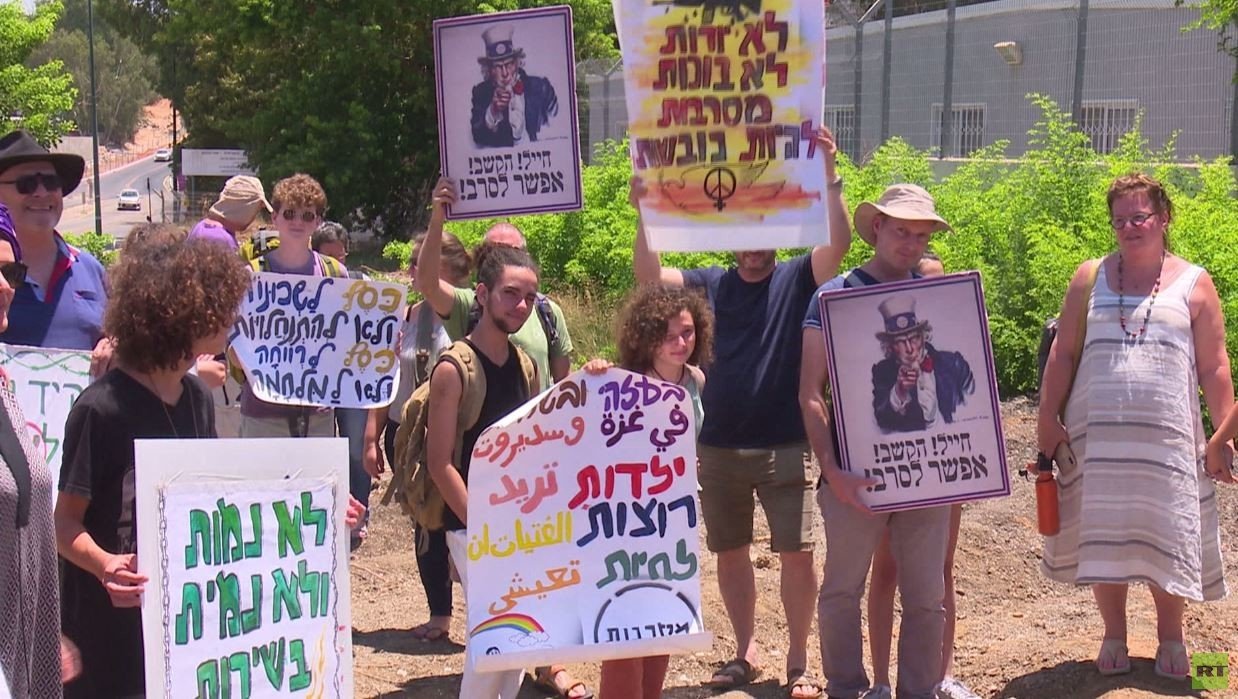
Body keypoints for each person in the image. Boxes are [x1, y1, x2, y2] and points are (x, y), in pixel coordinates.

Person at [631, 127, 850, 698]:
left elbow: (839, 246)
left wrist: (830, 174)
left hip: (786, 444)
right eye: (743, 235)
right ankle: (744, 651)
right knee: (731, 555)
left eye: (764, 234)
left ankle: (799, 661)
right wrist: (644, 214)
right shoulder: (707, 284)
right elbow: (651, 278)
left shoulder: (797, 277)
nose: (753, 247)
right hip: (718, 446)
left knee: (798, 554)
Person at [1036, 173, 1232, 680]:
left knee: (1168, 530)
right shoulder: (1089, 277)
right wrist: (1046, 420)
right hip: (1097, 438)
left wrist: (1223, 436)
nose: (1129, 227)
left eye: (1139, 216)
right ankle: (1114, 635)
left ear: (1163, 218)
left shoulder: (1195, 283)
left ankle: (1172, 638)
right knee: (1106, 532)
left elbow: (1214, 366)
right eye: (1119, 219)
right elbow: (1063, 353)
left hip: (1169, 441)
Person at [53, 236, 252, 698]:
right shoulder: (101, 409)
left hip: (176, 630)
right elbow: (63, 523)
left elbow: (215, 498)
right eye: (220, 306)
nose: (233, 319)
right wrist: (106, 564)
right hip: (106, 634)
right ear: (180, 312)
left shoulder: (197, 398)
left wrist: (321, 507)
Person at [799, 183, 954, 699]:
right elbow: (811, 393)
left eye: (921, 235)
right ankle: (845, 688)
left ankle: (918, 692)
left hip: (927, 476)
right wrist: (833, 471)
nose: (911, 243)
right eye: (902, 231)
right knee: (842, 589)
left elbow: (959, 392)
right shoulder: (833, 295)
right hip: (854, 476)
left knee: (927, 598)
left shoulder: (939, 300)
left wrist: (963, 463)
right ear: (878, 228)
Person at [425, 245, 545, 699]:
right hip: (470, 525)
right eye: (511, 293)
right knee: (495, 635)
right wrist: (482, 529)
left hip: (518, 525)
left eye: (530, 297)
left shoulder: (526, 367)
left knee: (517, 641)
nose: (521, 306)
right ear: (482, 294)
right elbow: (440, 463)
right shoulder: (454, 368)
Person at [583, 284, 713, 699]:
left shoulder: (696, 380)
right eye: (668, 334)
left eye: (687, 332)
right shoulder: (621, 382)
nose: (680, 343)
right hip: (625, 521)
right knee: (625, 620)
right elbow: (578, 425)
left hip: (673, 518)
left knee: (663, 614)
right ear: (646, 335)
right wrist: (591, 375)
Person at [864, 258, 980, 699]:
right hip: (894, 475)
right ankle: (880, 681)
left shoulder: (956, 363)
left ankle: (941, 676)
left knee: (942, 569)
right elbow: (875, 418)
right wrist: (901, 389)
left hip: (944, 476)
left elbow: (971, 414)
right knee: (886, 568)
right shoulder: (879, 372)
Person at [0, 207, 81, 697]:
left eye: (10, 271)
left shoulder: (5, 388)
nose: (5, 286)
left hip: (27, 658)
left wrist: (47, 629)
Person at [384, 231, 472, 642]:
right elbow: (381, 381)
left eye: (422, 264)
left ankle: (487, 617)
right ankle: (439, 615)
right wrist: (371, 436)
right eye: (414, 263)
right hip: (407, 435)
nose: (412, 271)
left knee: (466, 523)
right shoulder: (402, 317)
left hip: (458, 436)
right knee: (426, 525)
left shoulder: (470, 315)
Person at [417, 180, 573, 392]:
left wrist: (596, 376)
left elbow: (564, 384)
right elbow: (428, 284)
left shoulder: (548, 312)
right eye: (494, 252)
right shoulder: (470, 303)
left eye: (512, 253)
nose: (503, 261)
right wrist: (437, 217)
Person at [234, 173, 345, 438]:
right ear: (275, 217)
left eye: (307, 215)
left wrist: (379, 347)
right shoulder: (252, 276)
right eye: (289, 213)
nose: (298, 222)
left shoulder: (335, 274)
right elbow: (234, 351)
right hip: (263, 414)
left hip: (318, 414)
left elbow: (347, 338)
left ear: (318, 221)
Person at [0, 130, 112, 373]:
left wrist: (115, 345)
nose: (41, 192)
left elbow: (121, 338)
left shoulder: (91, 269)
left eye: (51, 182)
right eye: (26, 184)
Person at [311, 221, 384, 547]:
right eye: (327, 258)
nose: (335, 265)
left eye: (339, 257)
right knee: (320, 449)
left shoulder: (361, 284)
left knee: (356, 450)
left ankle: (359, 514)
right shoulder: (302, 288)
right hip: (316, 382)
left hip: (354, 381)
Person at [870, 295, 974, 434]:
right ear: (891, 347)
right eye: (900, 342)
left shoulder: (954, 364)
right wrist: (899, 391)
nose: (909, 349)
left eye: (914, 338)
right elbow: (882, 420)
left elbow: (975, 409)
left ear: (923, 336)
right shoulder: (883, 372)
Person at [471, 24, 558, 148]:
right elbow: (477, 137)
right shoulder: (481, 93)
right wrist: (493, 111)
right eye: (498, 66)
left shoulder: (541, 88)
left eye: (509, 64)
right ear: (489, 70)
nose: (505, 73)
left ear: (517, 63)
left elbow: (558, 129)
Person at [188, 175, 272, 253]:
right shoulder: (220, 239)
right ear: (243, 209)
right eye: (255, 210)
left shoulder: (201, 226)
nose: (253, 217)